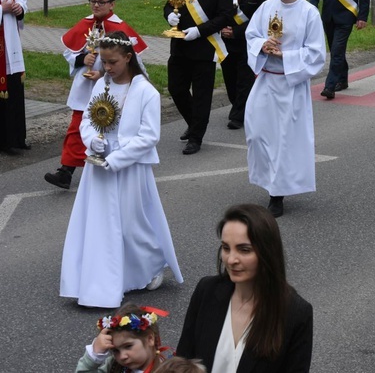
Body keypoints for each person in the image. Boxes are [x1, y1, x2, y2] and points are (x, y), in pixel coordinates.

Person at [60, 32, 183, 308]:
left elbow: (149, 136)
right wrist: (94, 141)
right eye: (104, 62)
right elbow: (87, 122)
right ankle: (99, 281)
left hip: (128, 168)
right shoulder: (101, 85)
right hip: (98, 166)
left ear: (128, 58)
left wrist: (116, 159)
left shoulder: (145, 92)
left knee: (130, 224)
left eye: (113, 62)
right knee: (99, 224)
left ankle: (152, 263)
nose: (107, 68)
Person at [176, 204, 313, 372]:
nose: (231, 259)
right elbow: (183, 360)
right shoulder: (206, 291)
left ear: (267, 252)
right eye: (226, 248)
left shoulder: (296, 313)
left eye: (244, 250)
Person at [44, 0, 147, 190]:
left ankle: (113, 165)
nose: (96, 5)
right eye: (93, 1)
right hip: (85, 88)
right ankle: (65, 171)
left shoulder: (120, 29)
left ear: (112, 4)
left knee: (108, 128)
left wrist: (103, 72)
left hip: (111, 88)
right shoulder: (85, 24)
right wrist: (83, 61)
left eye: (101, 2)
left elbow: (132, 62)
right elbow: (69, 53)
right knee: (76, 128)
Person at [245, 0, 326, 218]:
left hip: (291, 85)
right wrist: (262, 46)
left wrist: (285, 56)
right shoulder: (267, 7)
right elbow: (252, 35)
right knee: (257, 134)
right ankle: (267, 179)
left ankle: (276, 195)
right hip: (266, 80)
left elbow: (316, 55)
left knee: (283, 140)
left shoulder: (309, 13)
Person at [164, 0, 234, 155]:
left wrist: (199, 31)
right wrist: (169, 15)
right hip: (179, 46)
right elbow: (169, 4)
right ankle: (194, 123)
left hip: (204, 48)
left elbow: (225, 16)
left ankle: (196, 137)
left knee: (202, 95)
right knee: (176, 89)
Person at [220, 0, 273, 130]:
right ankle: (239, 105)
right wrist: (222, 29)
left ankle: (238, 115)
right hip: (224, 40)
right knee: (229, 77)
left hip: (247, 41)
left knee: (244, 78)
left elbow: (260, 19)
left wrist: (235, 31)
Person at [76, 303, 170, 372]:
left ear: (150, 339)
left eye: (128, 346)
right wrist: (94, 355)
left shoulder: (169, 370)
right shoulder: (113, 366)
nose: (122, 356)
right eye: (115, 351)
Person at [0, 0, 29, 156]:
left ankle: (18, 137)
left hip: (11, 41)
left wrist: (19, 7)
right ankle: (4, 141)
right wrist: (2, 9)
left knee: (15, 89)